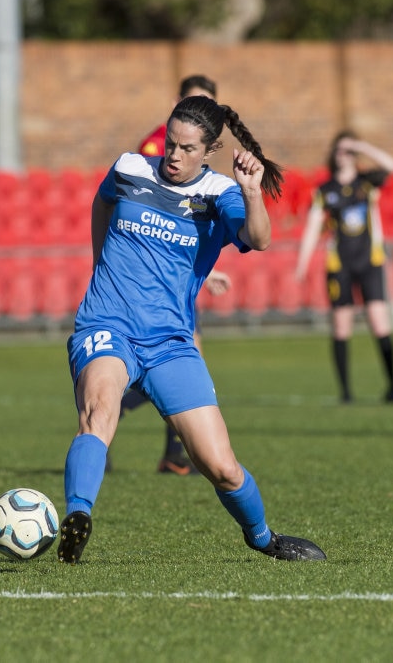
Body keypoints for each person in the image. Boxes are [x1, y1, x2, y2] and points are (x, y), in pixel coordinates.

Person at [57, 95, 327, 565]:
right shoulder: (129, 167)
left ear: (209, 150)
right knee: (100, 411)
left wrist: (250, 190)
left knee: (220, 466)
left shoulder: (220, 193)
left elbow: (259, 239)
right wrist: (101, 262)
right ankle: (77, 520)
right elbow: (103, 205)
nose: (174, 157)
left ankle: (263, 538)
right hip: (106, 326)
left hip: (170, 343)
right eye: (170, 143)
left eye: (186, 149)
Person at [121, 73, 229, 476]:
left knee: (184, 358)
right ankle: (113, 412)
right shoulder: (158, 147)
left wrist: (208, 266)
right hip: (153, 277)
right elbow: (161, 211)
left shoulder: (206, 154)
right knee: (180, 358)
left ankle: (174, 454)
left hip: (180, 276)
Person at [294, 131, 393, 404]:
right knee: (341, 326)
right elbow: (313, 227)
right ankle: (346, 392)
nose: (344, 155)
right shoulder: (324, 190)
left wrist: (362, 145)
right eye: (340, 150)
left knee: (379, 321)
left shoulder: (367, 182)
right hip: (339, 264)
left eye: (349, 150)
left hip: (369, 261)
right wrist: (302, 263)